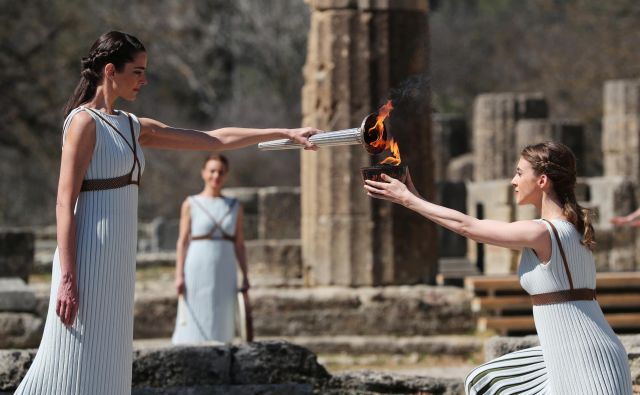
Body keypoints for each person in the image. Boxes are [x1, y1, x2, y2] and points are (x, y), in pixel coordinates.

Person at [15, 31, 319, 395]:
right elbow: (64, 202)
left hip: (117, 263)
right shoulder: (83, 123)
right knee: (70, 361)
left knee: (108, 365)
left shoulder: (131, 125)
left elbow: (213, 139)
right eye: (138, 71)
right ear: (111, 70)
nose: (144, 80)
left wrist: (283, 132)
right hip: (85, 261)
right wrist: (67, 276)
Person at [363, 141, 632, 394]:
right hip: (567, 353)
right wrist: (416, 198)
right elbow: (467, 225)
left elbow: (469, 227)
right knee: (484, 382)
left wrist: (410, 200)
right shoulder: (569, 228)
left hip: (586, 360)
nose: (513, 181)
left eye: (519, 173)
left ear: (542, 181)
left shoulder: (543, 232)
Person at [171, 154, 247, 343]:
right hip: (197, 264)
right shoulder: (191, 203)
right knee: (194, 313)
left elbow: (239, 243)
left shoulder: (234, 206)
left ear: (226, 175)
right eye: (212, 171)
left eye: (221, 172)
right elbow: (182, 241)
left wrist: (245, 275)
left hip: (225, 265)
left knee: (222, 314)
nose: (216, 176)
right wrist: (179, 275)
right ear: (204, 173)